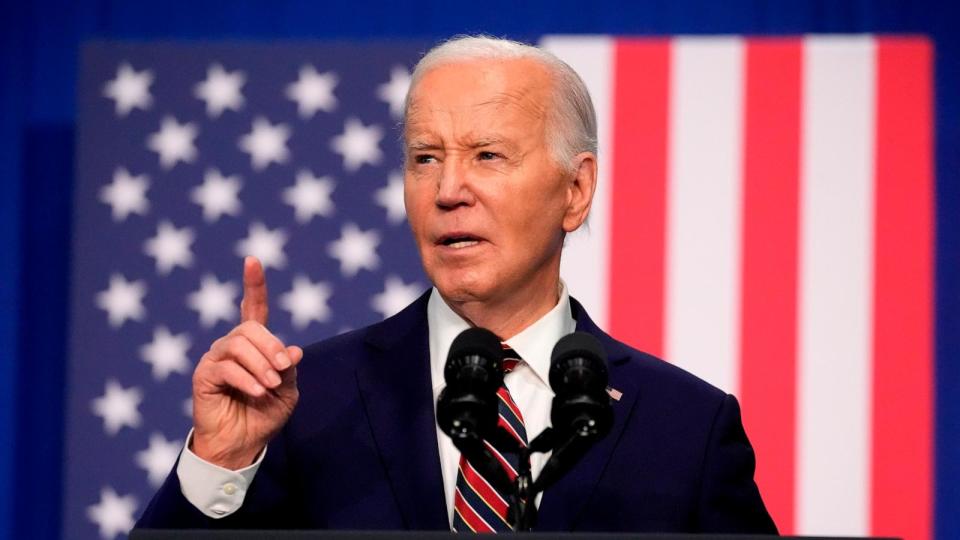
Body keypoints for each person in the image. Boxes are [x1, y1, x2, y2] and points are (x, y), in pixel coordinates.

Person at [136, 35, 777, 533]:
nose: (448, 191)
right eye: (425, 158)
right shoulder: (303, 404)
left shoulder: (684, 427)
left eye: (486, 156)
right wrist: (218, 462)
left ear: (575, 191)